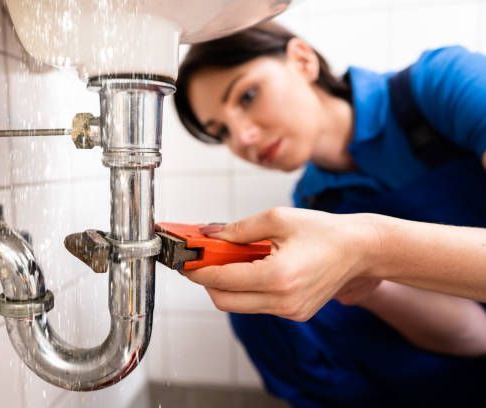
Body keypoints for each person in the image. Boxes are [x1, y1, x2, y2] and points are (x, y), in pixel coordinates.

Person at [173, 21, 486, 406]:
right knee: (264, 309)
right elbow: (476, 335)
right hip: (459, 366)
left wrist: (370, 247)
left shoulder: (444, 83)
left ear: (302, 60)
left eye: (248, 95)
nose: (242, 138)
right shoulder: (313, 204)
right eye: (221, 131)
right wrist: (372, 289)